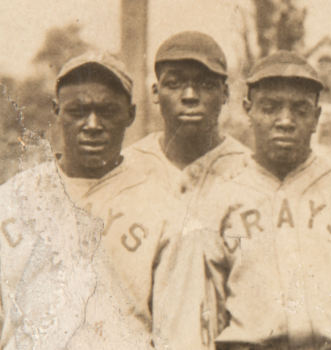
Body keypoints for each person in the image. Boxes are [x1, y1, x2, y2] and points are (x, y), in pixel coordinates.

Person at [186, 51, 331, 350]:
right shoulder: (219, 200)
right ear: (248, 110)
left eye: (300, 109)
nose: (285, 121)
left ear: (316, 118)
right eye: (271, 107)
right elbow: (203, 318)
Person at [0, 52, 198, 349]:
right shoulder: (13, 200)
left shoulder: (165, 208)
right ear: (57, 111)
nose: (92, 124)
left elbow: (184, 336)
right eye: (77, 111)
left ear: (130, 115)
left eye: (107, 111)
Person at [123, 31, 249, 197]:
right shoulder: (127, 166)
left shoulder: (248, 169)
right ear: (155, 93)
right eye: (174, 83)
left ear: (225, 93)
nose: (190, 96)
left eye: (206, 84)